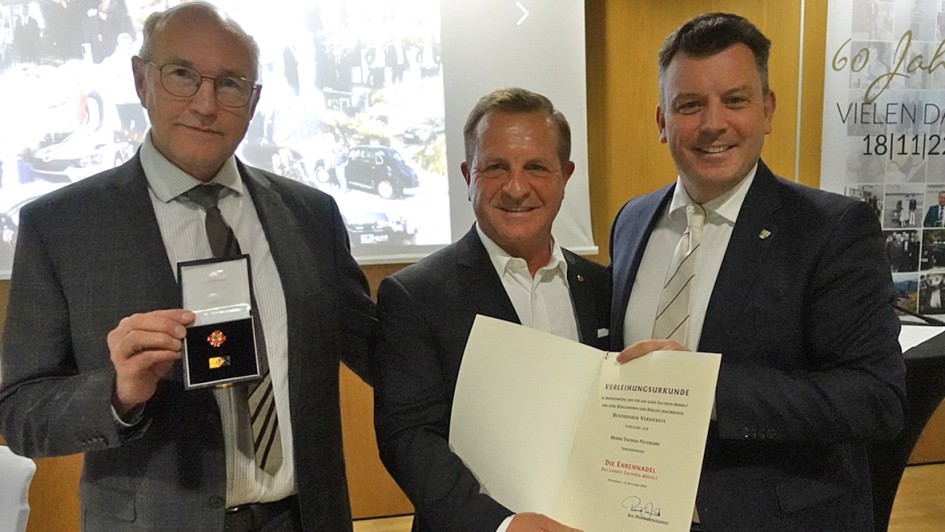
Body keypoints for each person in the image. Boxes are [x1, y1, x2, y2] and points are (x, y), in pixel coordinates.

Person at [0, 3, 375, 531]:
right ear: (141, 80)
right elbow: (20, 412)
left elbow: (381, 352)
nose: (205, 104)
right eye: (182, 74)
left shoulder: (311, 216)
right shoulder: (61, 226)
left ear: (253, 101)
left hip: (304, 518)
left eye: (230, 84)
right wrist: (118, 393)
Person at [609, 13, 906, 531]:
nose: (713, 123)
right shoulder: (632, 220)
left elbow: (876, 398)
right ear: (662, 121)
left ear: (767, 110)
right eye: (690, 105)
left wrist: (707, 388)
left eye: (735, 100)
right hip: (637, 513)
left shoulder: (832, 230)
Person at [374, 88, 610, 532]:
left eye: (536, 167)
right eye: (496, 167)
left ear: (565, 176)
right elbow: (409, 438)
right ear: (468, 176)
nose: (516, 188)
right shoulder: (415, 296)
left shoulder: (600, 287)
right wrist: (501, 526)